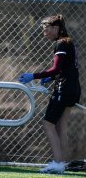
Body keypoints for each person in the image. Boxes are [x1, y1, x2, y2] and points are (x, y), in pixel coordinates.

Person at [18, 15, 81, 174]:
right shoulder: (68, 42)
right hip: (74, 89)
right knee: (62, 126)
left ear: (56, 28)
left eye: (47, 30)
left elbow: (56, 69)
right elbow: (65, 69)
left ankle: (58, 163)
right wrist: (50, 77)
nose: (44, 34)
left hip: (64, 89)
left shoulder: (61, 43)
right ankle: (63, 163)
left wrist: (34, 75)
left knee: (48, 124)